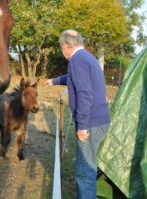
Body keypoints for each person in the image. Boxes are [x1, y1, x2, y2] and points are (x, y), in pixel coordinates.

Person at [47, 29, 110, 199]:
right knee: (90, 168)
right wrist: (54, 81)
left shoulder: (77, 60)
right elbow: (73, 77)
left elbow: (84, 93)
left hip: (90, 123)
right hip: (99, 120)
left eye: (61, 47)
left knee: (84, 174)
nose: (62, 52)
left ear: (67, 44)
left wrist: (82, 126)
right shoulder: (87, 58)